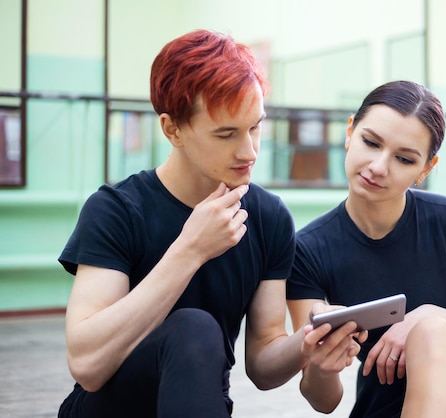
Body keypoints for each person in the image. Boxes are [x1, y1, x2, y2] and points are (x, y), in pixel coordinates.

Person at [57, 29, 351, 418]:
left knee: (199, 333)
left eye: (255, 127)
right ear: (172, 129)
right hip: (108, 408)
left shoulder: (267, 217)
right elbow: (88, 366)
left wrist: (308, 341)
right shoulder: (116, 210)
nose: (249, 151)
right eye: (226, 134)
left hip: (197, 404)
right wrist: (190, 250)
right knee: (194, 327)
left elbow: (262, 364)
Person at [287, 80, 446, 418]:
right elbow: (324, 401)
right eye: (370, 142)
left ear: (425, 169)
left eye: (404, 159)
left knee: (432, 331)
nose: (378, 167)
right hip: (385, 404)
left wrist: (430, 316)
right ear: (350, 132)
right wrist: (322, 366)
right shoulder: (307, 250)